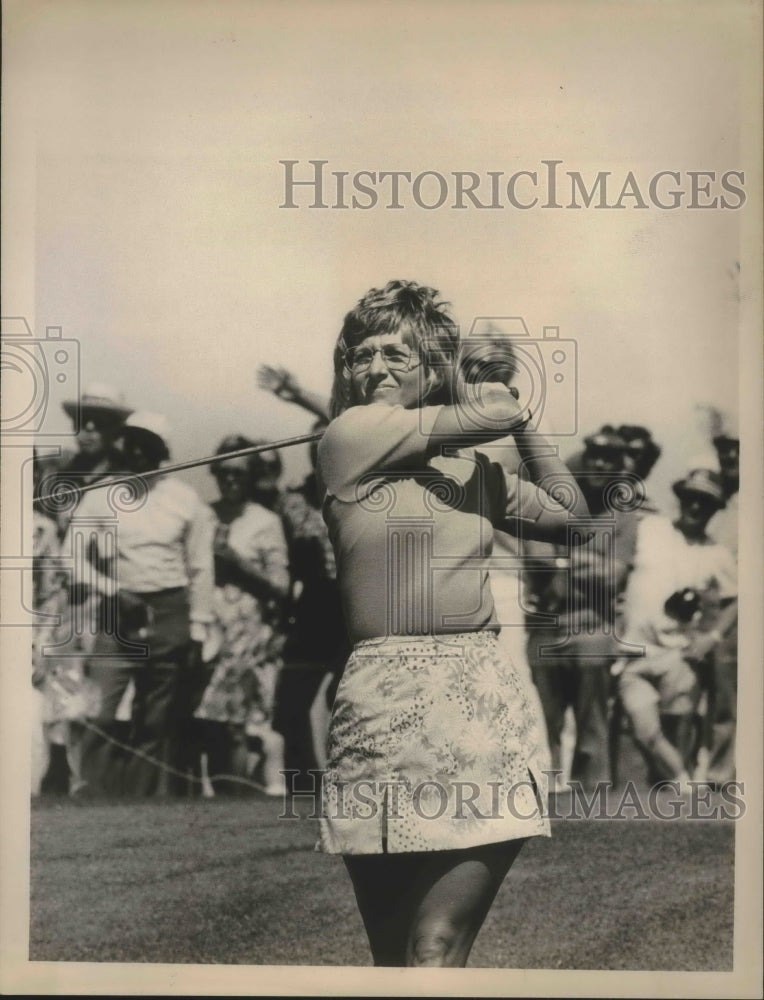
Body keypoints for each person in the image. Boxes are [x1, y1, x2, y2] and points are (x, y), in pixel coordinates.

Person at [315, 279, 588, 967]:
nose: (374, 368)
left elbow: (573, 520)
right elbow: (485, 413)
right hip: (381, 701)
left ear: (432, 366)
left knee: (436, 948)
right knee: (392, 956)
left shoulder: (475, 473)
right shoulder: (347, 437)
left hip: (477, 698)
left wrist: (528, 425)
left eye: (396, 355)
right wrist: (502, 404)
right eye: (362, 355)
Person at [73, 412, 215, 797]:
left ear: (161, 452)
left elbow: (201, 568)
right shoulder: (99, 495)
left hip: (170, 611)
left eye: (146, 445)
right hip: (118, 612)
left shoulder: (186, 499)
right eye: (130, 441)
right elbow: (73, 558)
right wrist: (113, 589)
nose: (135, 451)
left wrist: (198, 630)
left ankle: (141, 804)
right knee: (100, 711)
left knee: (156, 719)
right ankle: (91, 797)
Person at [524, 426, 640, 791]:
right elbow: (537, 560)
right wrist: (588, 561)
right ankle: (547, 792)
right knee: (545, 718)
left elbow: (614, 577)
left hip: (592, 628)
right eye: (595, 455)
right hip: (546, 624)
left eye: (610, 458)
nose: (600, 464)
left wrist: (566, 558)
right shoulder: (553, 497)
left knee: (593, 721)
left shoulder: (622, 513)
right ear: (585, 456)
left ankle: (592, 794)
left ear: (620, 466)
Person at [612, 467, 737, 786]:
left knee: (677, 732)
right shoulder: (650, 528)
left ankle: (677, 809)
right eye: (691, 498)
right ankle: (675, 787)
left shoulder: (717, 554)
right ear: (680, 498)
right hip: (631, 652)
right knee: (644, 732)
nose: (696, 507)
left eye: (705, 502)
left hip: (677, 656)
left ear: (716, 509)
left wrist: (711, 636)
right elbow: (617, 573)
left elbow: (737, 600)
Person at [194, 436, 290, 797]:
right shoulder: (203, 515)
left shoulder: (266, 522)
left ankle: (238, 800)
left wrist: (236, 562)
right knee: (208, 723)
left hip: (247, 636)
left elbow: (281, 586)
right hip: (207, 631)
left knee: (238, 723)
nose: (230, 480)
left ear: (251, 476)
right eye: (224, 473)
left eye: (239, 473)